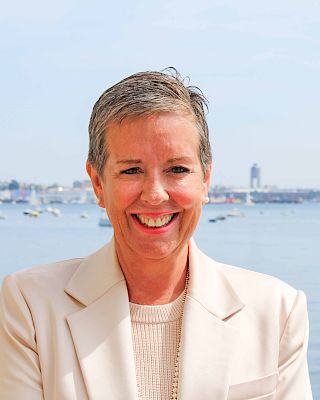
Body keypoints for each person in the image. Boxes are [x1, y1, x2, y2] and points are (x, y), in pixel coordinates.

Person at [0, 69, 313, 400]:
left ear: (205, 180)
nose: (154, 195)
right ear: (98, 183)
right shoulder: (31, 304)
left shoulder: (277, 311)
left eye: (177, 170)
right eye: (131, 170)